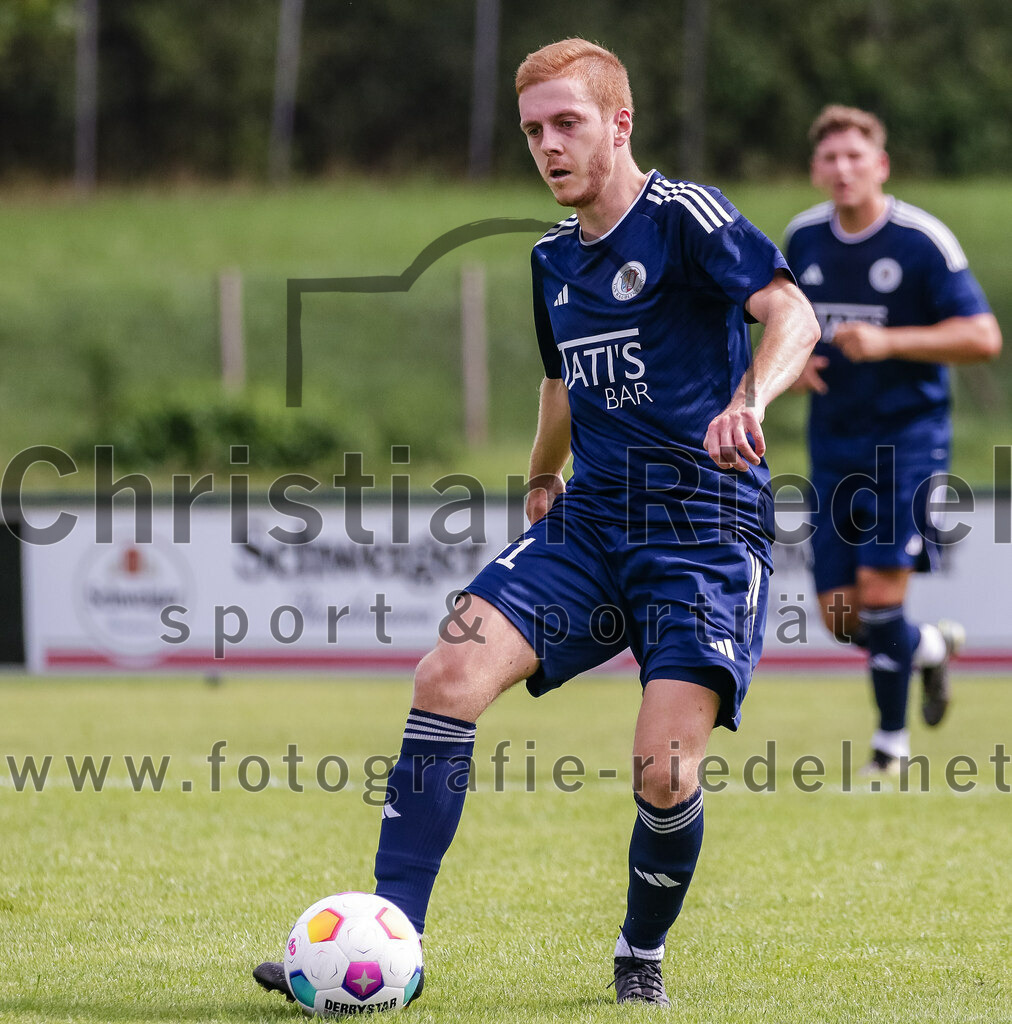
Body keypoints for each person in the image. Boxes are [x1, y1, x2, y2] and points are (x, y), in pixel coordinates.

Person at [256, 38, 818, 1006]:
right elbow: (560, 384)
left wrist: (751, 400)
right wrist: (538, 477)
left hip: (705, 531)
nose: (548, 145)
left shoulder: (685, 218)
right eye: (531, 130)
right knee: (448, 671)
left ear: (619, 123)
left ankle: (640, 950)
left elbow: (792, 313)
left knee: (660, 772)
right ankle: (394, 947)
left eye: (567, 124)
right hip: (591, 521)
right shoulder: (550, 258)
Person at [785, 105, 1002, 774]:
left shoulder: (920, 241)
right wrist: (791, 366)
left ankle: (890, 748)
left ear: (880, 165)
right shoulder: (802, 240)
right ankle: (930, 648)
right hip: (834, 445)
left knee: (881, 596)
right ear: (817, 169)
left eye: (856, 157)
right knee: (840, 615)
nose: (843, 169)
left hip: (906, 442)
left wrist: (890, 342)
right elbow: (774, 324)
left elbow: (982, 337)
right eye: (831, 158)